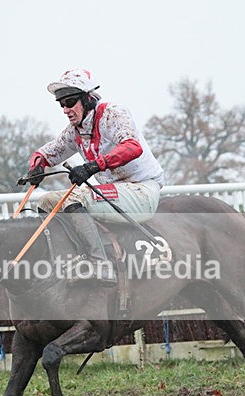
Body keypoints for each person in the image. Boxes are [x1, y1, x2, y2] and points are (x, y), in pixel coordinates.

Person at [26, 68, 165, 285]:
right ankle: (63, 259)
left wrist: (92, 167)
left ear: (88, 98)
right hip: (117, 193)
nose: (65, 109)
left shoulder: (113, 114)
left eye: (70, 102)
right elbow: (46, 153)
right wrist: (36, 166)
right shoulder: (76, 130)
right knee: (46, 201)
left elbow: (132, 147)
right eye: (61, 104)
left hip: (141, 190)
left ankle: (100, 265)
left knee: (75, 198)